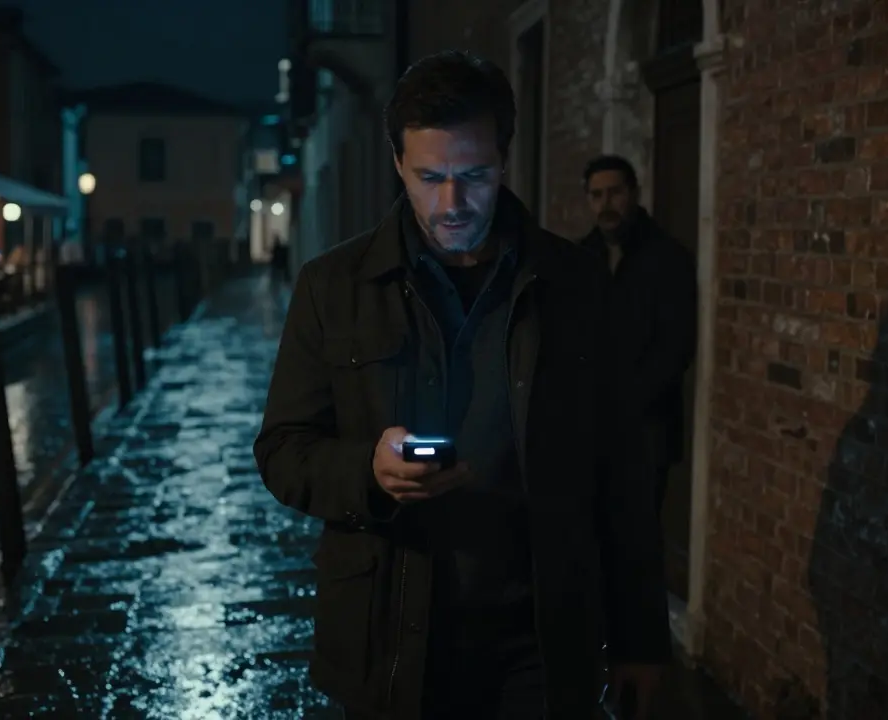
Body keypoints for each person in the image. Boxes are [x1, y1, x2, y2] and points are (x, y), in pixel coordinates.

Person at [253, 51, 670, 719]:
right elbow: (282, 449)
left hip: (538, 638)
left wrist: (641, 638)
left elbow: (624, 471)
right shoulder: (334, 287)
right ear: (397, 165)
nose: (452, 203)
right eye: (430, 177)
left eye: (474, 175)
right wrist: (369, 471)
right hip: (387, 635)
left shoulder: (578, 286)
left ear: (505, 160)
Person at [578, 155, 697, 515]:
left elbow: (675, 348)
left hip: (647, 434)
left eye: (614, 193)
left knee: (638, 542)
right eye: (596, 195)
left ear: (633, 194)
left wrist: (624, 403)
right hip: (590, 429)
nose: (606, 204)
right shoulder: (581, 258)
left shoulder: (669, 258)